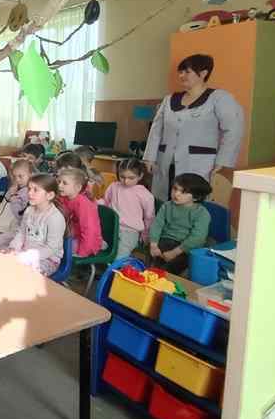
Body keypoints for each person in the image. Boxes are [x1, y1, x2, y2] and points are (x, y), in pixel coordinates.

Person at [144, 54, 244, 201]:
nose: (182, 75)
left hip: (199, 164)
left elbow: (234, 129)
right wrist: (150, 157)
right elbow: (156, 130)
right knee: (165, 201)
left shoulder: (219, 98)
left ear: (203, 73)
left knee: (192, 202)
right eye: (180, 72)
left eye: (187, 71)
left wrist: (222, 160)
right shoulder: (169, 99)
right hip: (166, 163)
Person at [149, 173, 212, 274]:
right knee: (152, 266)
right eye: (175, 189)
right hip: (164, 241)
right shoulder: (167, 206)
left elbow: (197, 238)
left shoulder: (202, 213)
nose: (176, 194)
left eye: (183, 192)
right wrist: (154, 245)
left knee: (168, 270)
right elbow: (157, 225)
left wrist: (174, 252)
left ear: (196, 197)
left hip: (185, 247)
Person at [5, 173, 66, 276]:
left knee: (23, 274)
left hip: (47, 260)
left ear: (50, 195)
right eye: (29, 189)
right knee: (5, 262)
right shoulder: (29, 210)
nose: (30, 193)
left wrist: (27, 257)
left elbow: (51, 248)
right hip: (26, 252)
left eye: (35, 190)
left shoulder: (55, 218)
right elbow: (22, 233)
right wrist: (13, 248)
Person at [99, 158, 155, 259]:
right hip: (110, 227)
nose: (126, 181)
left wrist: (145, 236)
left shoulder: (146, 195)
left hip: (129, 232)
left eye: (131, 178)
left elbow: (149, 217)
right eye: (122, 177)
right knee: (95, 247)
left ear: (140, 176)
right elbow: (105, 202)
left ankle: (116, 268)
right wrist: (93, 203)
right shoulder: (114, 186)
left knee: (119, 258)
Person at [58, 167, 104, 257]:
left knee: (57, 248)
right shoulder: (63, 198)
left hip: (87, 242)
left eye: (64, 183)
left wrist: (83, 252)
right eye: (59, 182)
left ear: (78, 187)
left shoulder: (84, 205)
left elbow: (90, 230)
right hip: (72, 236)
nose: (59, 185)